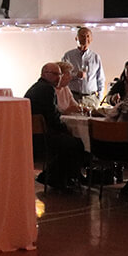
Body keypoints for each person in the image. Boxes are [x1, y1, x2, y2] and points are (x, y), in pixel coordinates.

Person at [24, 62, 85, 190]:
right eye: (55, 74)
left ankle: (54, 175)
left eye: (60, 74)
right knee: (76, 143)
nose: (59, 77)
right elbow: (52, 118)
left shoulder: (37, 87)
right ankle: (61, 178)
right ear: (44, 74)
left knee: (71, 141)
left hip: (34, 134)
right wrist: (65, 129)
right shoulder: (47, 89)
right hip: (43, 137)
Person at [62, 27, 105, 111]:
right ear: (76, 38)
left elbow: (100, 79)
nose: (85, 38)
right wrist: (75, 75)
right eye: (82, 36)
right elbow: (62, 77)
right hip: (73, 97)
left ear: (91, 39)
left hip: (91, 98)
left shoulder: (95, 57)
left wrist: (99, 98)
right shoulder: (68, 56)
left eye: (88, 36)